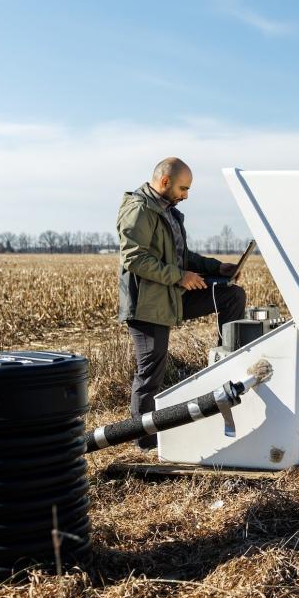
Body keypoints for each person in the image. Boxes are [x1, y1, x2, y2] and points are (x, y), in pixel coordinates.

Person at [117, 157, 246, 449]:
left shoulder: (169, 212)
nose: (186, 195)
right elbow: (134, 259)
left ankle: (227, 358)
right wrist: (179, 277)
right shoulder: (139, 210)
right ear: (164, 182)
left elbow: (181, 257)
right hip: (148, 305)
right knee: (151, 371)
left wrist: (217, 267)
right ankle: (145, 440)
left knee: (231, 294)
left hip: (171, 296)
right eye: (183, 188)